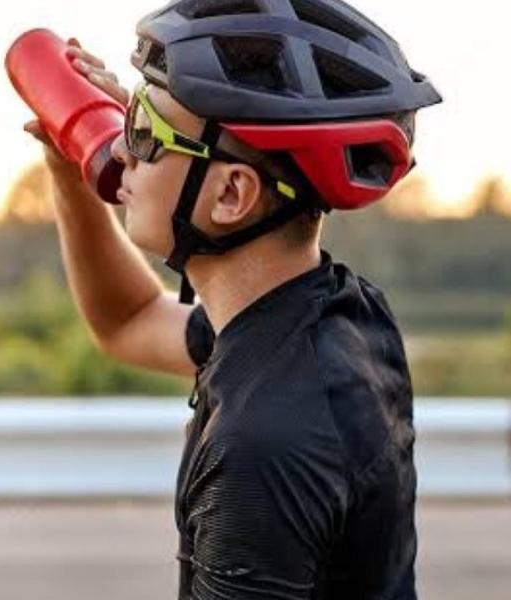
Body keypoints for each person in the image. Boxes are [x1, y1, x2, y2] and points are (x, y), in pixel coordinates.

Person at [24, 1, 442, 598]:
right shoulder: (336, 317)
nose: (120, 150)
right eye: (130, 119)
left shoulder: (261, 446)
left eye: (145, 133)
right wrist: (67, 167)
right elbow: (127, 321)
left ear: (230, 194)